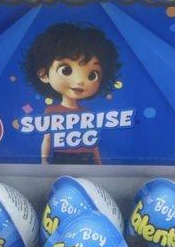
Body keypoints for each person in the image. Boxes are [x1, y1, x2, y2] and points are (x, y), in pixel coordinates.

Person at [23, 23, 120, 164]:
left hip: (86, 158)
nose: (80, 81)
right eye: (66, 70)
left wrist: (98, 162)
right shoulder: (51, 112)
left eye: (92, 75)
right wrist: (44, 160)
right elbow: (47, 138)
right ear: (44, 74)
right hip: (61, 158)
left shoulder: (87, 113)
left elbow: (92, 142)